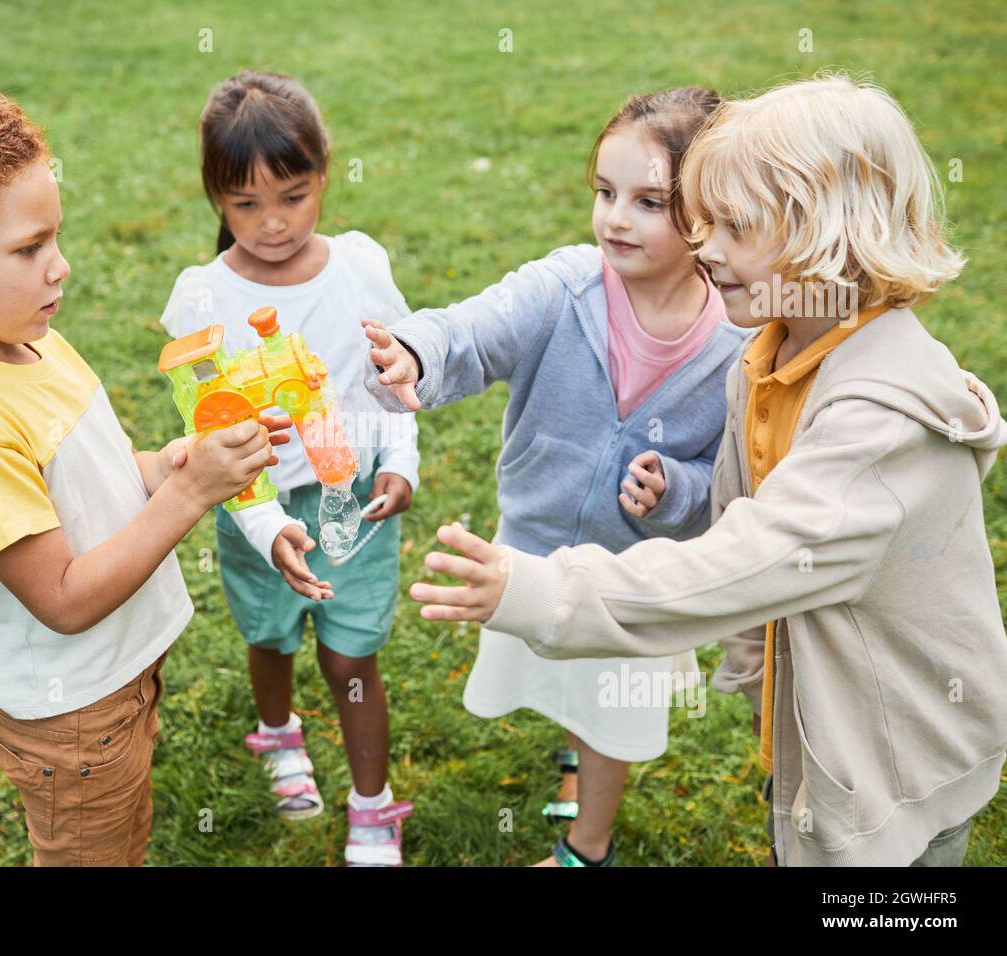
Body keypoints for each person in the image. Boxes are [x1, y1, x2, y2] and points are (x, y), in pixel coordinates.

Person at [403, 74, 1007, 867]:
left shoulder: (876, 425)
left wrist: (539, 589)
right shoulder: (766, 356)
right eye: (701, 220)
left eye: (733, 226)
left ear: (828, 235)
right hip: (819, 726)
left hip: (893, 758)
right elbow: (728, 513)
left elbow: (742, 561)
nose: (705, 247)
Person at [0, 85, 287, 866]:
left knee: (122, 839)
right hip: (73, 714)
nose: (60, 266)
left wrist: (164, 466)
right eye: (29, 248)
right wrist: (191, 492)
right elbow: (64, 598)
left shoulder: (30, 341)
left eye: (56, 238)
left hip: (118, 679)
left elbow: (90, 479)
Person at [363, 88, 747, 866]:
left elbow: (729, 482)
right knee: (564, 674)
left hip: (631, 579)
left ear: (708, 212)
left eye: (647, 202)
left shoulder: (735, 343)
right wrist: (417, 351)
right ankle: (575, 754)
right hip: (536, 548)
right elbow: (477, 325)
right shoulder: (569, 284)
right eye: (604, 193)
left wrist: (675, 488)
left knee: (609, 710)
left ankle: (586, 849)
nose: (614, 219)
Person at [161, 70, 419, 865]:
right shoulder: (202, 300)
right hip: (256, 509)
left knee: (350, 653)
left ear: (325, 174)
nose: (272, 224)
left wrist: (399, 464)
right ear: (213, 195)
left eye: (294, 196)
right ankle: (277, 733)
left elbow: (395, 375)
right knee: (270, 635)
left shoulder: (362, 266)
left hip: (353, 507)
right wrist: (269, 528)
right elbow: (215, 442)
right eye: (245, 205)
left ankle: (372, 808)